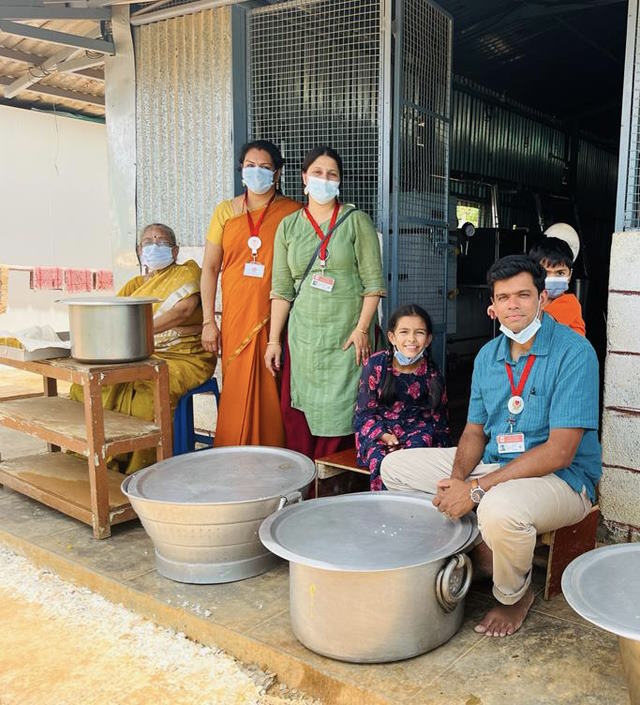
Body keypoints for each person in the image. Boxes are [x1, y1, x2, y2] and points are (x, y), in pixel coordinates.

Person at [381, 255, 601, 637]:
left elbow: (560, 452)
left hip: (562, 479)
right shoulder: (489, 355)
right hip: (497, 462)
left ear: (542, 300)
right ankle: (476, 549)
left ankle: (514, 595)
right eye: (503, 297)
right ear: (493, 307)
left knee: (500, 508)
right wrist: (457, 481)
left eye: (522, 295)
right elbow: (474, 431)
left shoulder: (574, 352)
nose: (512, 305)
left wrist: (478, 489)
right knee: (394, 468)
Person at [265, 145, 386, 460]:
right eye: (317, 172)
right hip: (304, 337)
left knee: (345, 406)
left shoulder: (356, 220)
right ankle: (307, 487)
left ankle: (340, 485)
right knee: (301, 408)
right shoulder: (289, 226)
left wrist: (362, 330)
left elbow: (374, 284)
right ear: (304, 177)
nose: (324, 179)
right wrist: (273, 340)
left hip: (348, 336)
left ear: (340, 181)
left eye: (332, 174)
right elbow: (281, 290)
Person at [70, 223, 216, 474]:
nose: (154, 246)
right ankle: (102, 460)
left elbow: (184, 311)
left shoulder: (187, 272)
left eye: (161, 242)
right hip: (142, 353)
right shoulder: (134, 285)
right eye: (148, 242)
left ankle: (140, 471)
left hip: (185, 356)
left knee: (149, 393)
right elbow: (114, 320)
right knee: (86, 387)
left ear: (174, 250)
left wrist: (136, 331)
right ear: (139, 250)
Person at [201, 140, 301, 447]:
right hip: (235, 318)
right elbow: (210, 268)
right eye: (249, 166)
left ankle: (274, 456)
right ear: (242, 170)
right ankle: (232, 457)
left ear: (278, 173)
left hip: (277, 319)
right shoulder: (225, 212)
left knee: (273, 390)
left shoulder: (293, 213)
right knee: (236, 388)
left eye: (265, 167)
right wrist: (208, 320)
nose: (256, 172)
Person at [354, 304, 450, 491]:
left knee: (416, 456)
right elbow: (364, 414)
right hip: (379, 431)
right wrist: (384, 435)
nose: (411, 339)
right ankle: (385, 510)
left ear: (428, 339)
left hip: (417, 430)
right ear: (392, 337)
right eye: (404, 332)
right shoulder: (376, 364)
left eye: (419, 333)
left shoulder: (432, 373)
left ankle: (414, 510)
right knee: (382, 460)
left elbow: (439, 418)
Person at [529, 236, 586, 336]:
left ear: (569, 275)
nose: (552, 278)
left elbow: (542, 324)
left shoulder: (569, 303)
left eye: (560, 273)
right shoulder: (535, 301)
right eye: (545, 273)